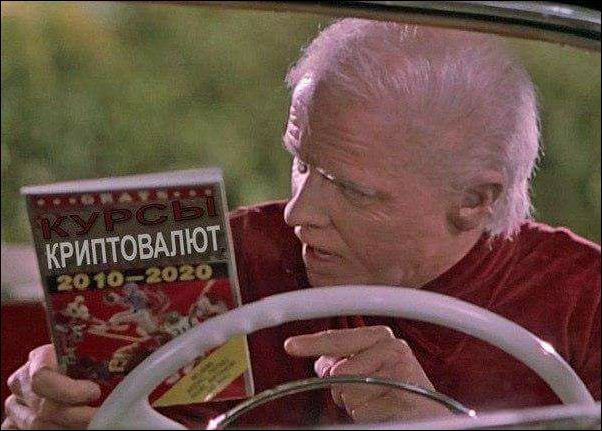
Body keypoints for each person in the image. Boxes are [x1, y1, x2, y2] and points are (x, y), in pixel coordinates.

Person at [2, 19, 600, 429]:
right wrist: (43, 409)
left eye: (352, 189)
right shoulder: (219, 260)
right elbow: (98, 408)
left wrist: (435, 424)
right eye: (301, 162)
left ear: (473, 200)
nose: (297, 213)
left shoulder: (584, 298)